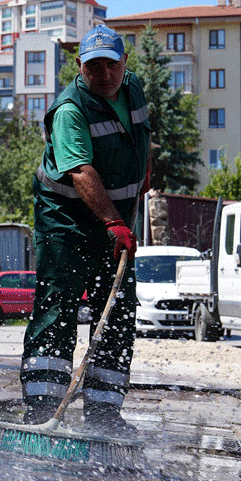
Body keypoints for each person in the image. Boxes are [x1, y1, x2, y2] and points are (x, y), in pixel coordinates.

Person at [18, 24, 149, 435]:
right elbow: (80, 170)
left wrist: (143, 178)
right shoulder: (70, 109)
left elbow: (142, 141)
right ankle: (42, 409)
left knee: (118, 310)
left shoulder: (134, 91)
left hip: (115, 222)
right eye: (94, 67)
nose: (104, 74)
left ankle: (104, 413)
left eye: (112, 65)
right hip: (67, 220)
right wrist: (113, 221)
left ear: (124, 63)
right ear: (80, 67)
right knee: (59, 306)